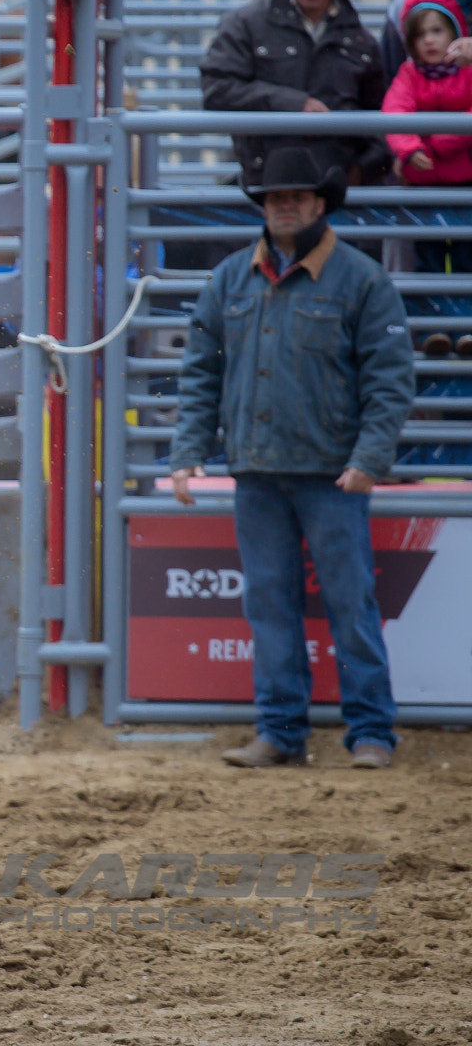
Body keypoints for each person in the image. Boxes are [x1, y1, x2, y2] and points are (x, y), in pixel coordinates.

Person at [167, 148, 414, 771]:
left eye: (297, 197)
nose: (285, 206)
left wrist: (370, 458)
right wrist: (188, 451)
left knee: (348, 602)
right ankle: (282, 730)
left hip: (333, 473)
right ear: (263, 204)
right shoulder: (230, 278)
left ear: (320, 203)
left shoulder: (361, 280)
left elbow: (390, 379)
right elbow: (200, 373)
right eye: (275, 197)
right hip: (257, 470)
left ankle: (370, 732)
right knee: (271, 605)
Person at [200, 0, 389, 190]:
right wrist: (291, 104)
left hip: (337, 189)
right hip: (264, 184)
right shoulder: (245, 25)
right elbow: (217, 90)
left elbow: (383, 118)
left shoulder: (362, 43)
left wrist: (363, 169)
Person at [382, 0, 472, 361]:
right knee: (427, 262)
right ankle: (432, 328)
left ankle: (466, 326)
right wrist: (408, 146)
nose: (430, 41)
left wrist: (434, 142)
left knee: (467, 260)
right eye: (421, 35)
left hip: (464, 182)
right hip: (423, 187)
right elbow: (395, 112)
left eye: (438, 30)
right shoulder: (409, 75)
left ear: (454, 32)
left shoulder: (467, 72)